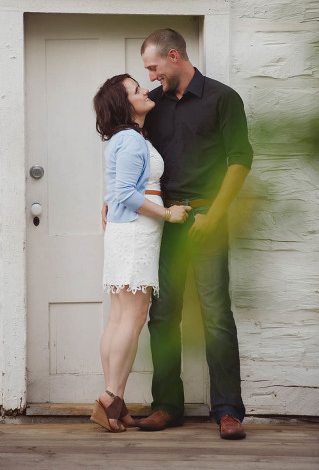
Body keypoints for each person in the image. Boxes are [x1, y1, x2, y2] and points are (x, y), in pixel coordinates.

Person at [132, 29, 253, 439]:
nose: (150, 75)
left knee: (216, 315)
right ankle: (167, 406)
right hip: (166, 224)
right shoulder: (155, 105)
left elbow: (240, 160)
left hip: (208, 222)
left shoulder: (223, 98)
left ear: (173, 56)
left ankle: (227, 411)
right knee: (163, 315)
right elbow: (137, 157)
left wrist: (214, 217)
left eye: (153, 67)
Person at [91, 74, 191, 432]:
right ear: (125, 105)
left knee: (119, 318)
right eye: (136, 91)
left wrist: (108, 201)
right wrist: (168, 213)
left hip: (125, 233)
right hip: (136, 234)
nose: (144, 91)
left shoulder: (124, 139)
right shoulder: (132, 139)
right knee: (131, 320)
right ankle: (109, 400)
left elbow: (116, 187)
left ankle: (113, 400)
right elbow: (128, 194)